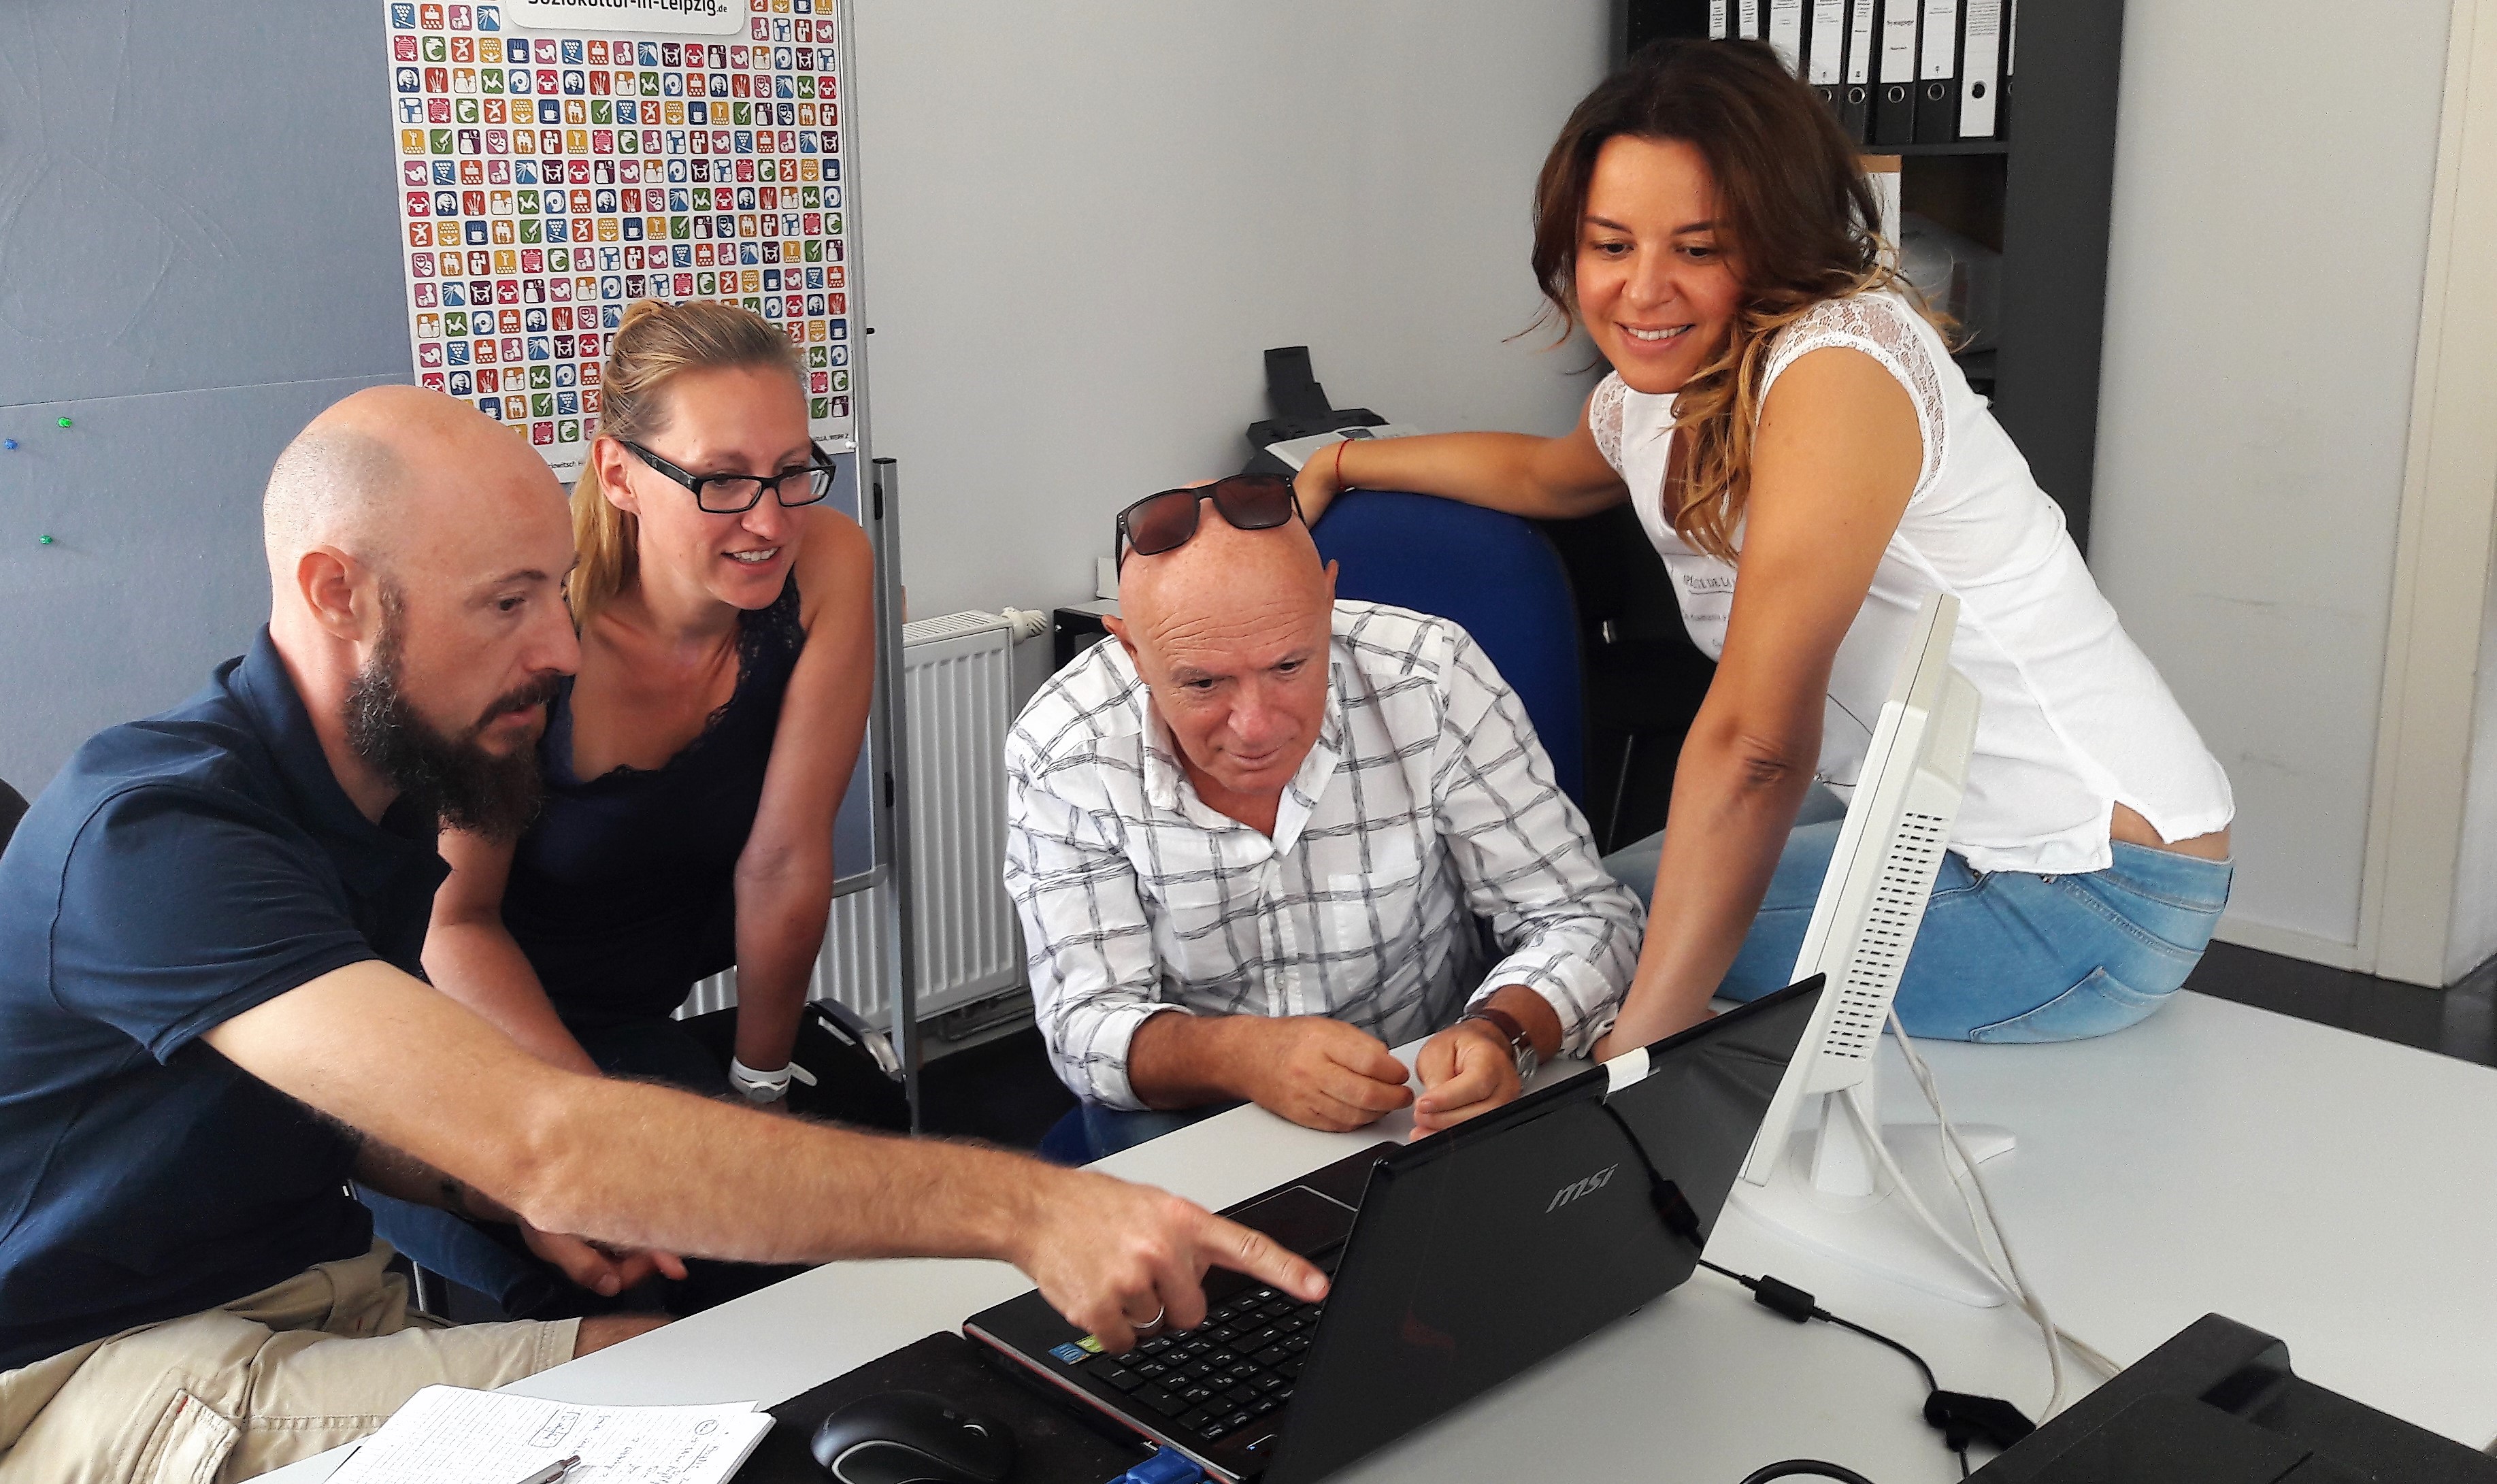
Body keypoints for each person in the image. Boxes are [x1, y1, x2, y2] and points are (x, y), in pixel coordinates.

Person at [0, 389, 1322, 1481]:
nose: (560, 648)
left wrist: (476, 1186)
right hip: (100, 1365)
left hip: (307, 1290)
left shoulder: (386, 785)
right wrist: (1031, 1206)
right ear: (338, 593)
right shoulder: (153, 837)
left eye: (554, 594)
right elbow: (554, 1140)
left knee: (683, 1370)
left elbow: (332, 1108)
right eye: (507, 603)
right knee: (702, 1423)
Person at [1291, 39, 2235, 1053]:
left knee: (1599, 936)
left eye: (1697, 250)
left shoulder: (1837, 369)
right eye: (1610, 246)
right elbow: (1545, 475)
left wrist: (1639, 1048)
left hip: (2080, 883)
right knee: (1585, 917)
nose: (1642, 291)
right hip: (1952, 827)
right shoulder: (1663, 389)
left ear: (1777, 240)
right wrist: (1342, 462)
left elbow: (1758, 745)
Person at [369, 299, 882, 1319]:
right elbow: (454, 926)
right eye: (722, 479)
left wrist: (762, 1092)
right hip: (456, 1041)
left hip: (627, 1026)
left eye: (791, 471)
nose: (768, 520)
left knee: (785, 1245)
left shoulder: (826, 566)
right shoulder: (532, 638)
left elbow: (782, 859)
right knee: (630, 1293)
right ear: (617, 475)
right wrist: (605, 1143)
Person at [1004, 476, 1642, 1157]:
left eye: (1288, 665)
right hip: (1205, 1105)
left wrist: (1503, 1033)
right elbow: (1088, 1025)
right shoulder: (1066, 747)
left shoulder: (1431, 676)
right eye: (1203, 682)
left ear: (1327, 599)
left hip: (1421, 1089)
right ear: (1131, 650)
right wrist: (1244, 1057)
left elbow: (1581, 914)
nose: (1255, 727)